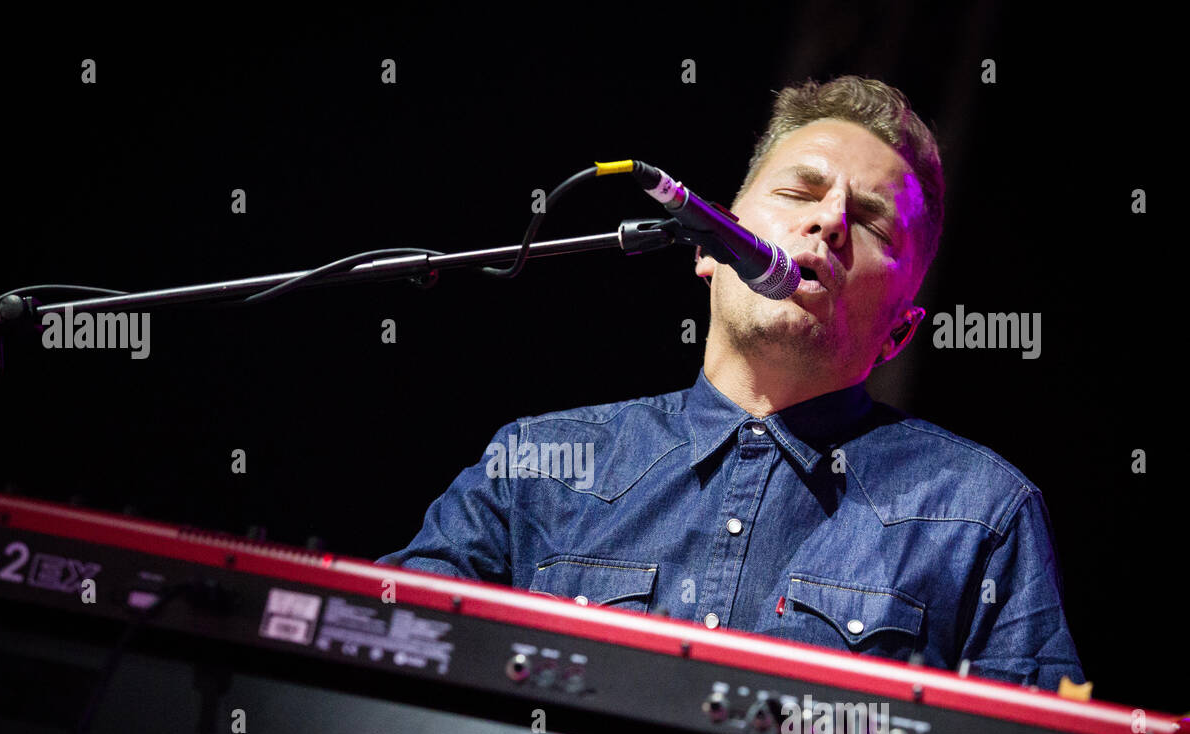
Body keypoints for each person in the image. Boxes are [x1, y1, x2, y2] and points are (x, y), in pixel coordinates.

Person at [376, 75, 1084, 693]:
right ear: (710, 249)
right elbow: (376, 654)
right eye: (800, 191)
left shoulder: (980, 514)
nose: (828, 221)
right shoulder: (536, 465)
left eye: (869, 222)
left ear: (900, 331)